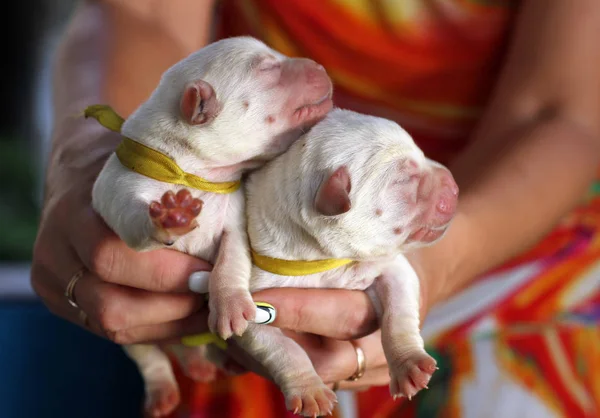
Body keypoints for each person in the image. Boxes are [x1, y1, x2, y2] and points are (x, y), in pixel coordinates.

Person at [31, 0, 600, 417]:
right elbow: (144, 14)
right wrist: (95, 156)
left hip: (526, 276)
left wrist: (414, 276)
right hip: (260, 237)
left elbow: (558, 113)